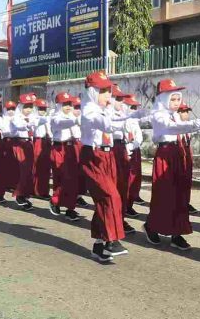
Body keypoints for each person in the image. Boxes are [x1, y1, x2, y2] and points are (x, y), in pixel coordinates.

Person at [142, 79, 200, 251]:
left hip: (179, 154)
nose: (177, 103)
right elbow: (172, 128)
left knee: (181, 195)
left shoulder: (176, 114)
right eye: (173, 99)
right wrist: (196, 124)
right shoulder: (159, 114)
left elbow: (180, 127)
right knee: (164, 195)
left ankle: (178, 233)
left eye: (178, 99)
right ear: (163, 99)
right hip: (166, 155)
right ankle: (151, 226)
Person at [80, 71, 129, 261]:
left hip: (108, 155)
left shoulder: (104, 109)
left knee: (103, 199)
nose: (108, 95)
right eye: (103, 91)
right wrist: (118, 117)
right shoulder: (88, 110)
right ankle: (111, 241)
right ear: (92, 92)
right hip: (93, 156)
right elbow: (105, 125)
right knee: (110, 196)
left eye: (109, 91)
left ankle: (99, 244)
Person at [49, 92, 82, 221]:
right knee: (62, 178)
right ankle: (55, 200)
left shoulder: (73, 116)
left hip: (71, 148)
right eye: (65, 104)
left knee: (72, 179)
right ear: (58, 105)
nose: (68, 107)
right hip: (59, 148)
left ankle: (70, 208)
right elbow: (62, 123)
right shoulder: (56, 117)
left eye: (69, 104)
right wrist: (76, 120)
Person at [109, 85, 137, 232]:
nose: (121, 102)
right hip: (111, 149)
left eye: (122, 99)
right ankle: (112, 220)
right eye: (118, 99)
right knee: (112, 187)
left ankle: (121, 218)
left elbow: (129, 132)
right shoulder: (105, 113)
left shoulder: (123, 113)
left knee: (123, 186)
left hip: (122, 148)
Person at [9, 93, 39, 210]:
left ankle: (24, 195)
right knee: (23, 169)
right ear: (20, 107)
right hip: (19, 143)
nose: (28, 110)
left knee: (29, 171)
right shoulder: (16, 118)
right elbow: (20, 126)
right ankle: (19, 194)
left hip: (28, 143)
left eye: (30, 107)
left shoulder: (32, 117)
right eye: (26, 107)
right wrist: (31, 123)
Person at [122, 95, 144, 216]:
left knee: (135, 179)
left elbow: (138, 136)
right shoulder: (124, 120)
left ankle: (130, 203)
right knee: (127, 180)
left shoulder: (134, 120)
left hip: (135, 150)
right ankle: (125, 206)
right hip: (128, 150)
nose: (135, 109)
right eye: (132, 107)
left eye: (135, 107)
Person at [177, 102, 199, 215]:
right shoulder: (174, 127)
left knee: (187, 179)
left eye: (187, 112)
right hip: (179, 154)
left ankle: (186, 201)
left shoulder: (187, 126)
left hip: (187, 152)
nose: (186, 114)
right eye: (183, 112)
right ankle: (179, 202)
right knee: (179, 180)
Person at [32, 98, 52, 200]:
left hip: (46, 142)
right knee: (38, 167)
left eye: (44, 109)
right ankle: (36, 190)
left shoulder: (46, 118)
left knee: (46, 168)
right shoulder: (34, 118)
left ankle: (44, 190)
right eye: (40, 108)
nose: (42, 111)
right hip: (38, 142)